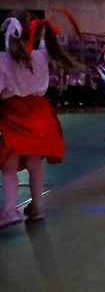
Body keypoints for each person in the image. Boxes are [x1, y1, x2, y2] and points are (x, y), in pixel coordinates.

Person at [0, 13, 74, 228]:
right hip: (40, 111)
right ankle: (37, 207)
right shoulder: (41, 56)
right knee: (35, 163)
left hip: (14, 112)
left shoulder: (4, 60)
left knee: (9, 164)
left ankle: (9, 210)